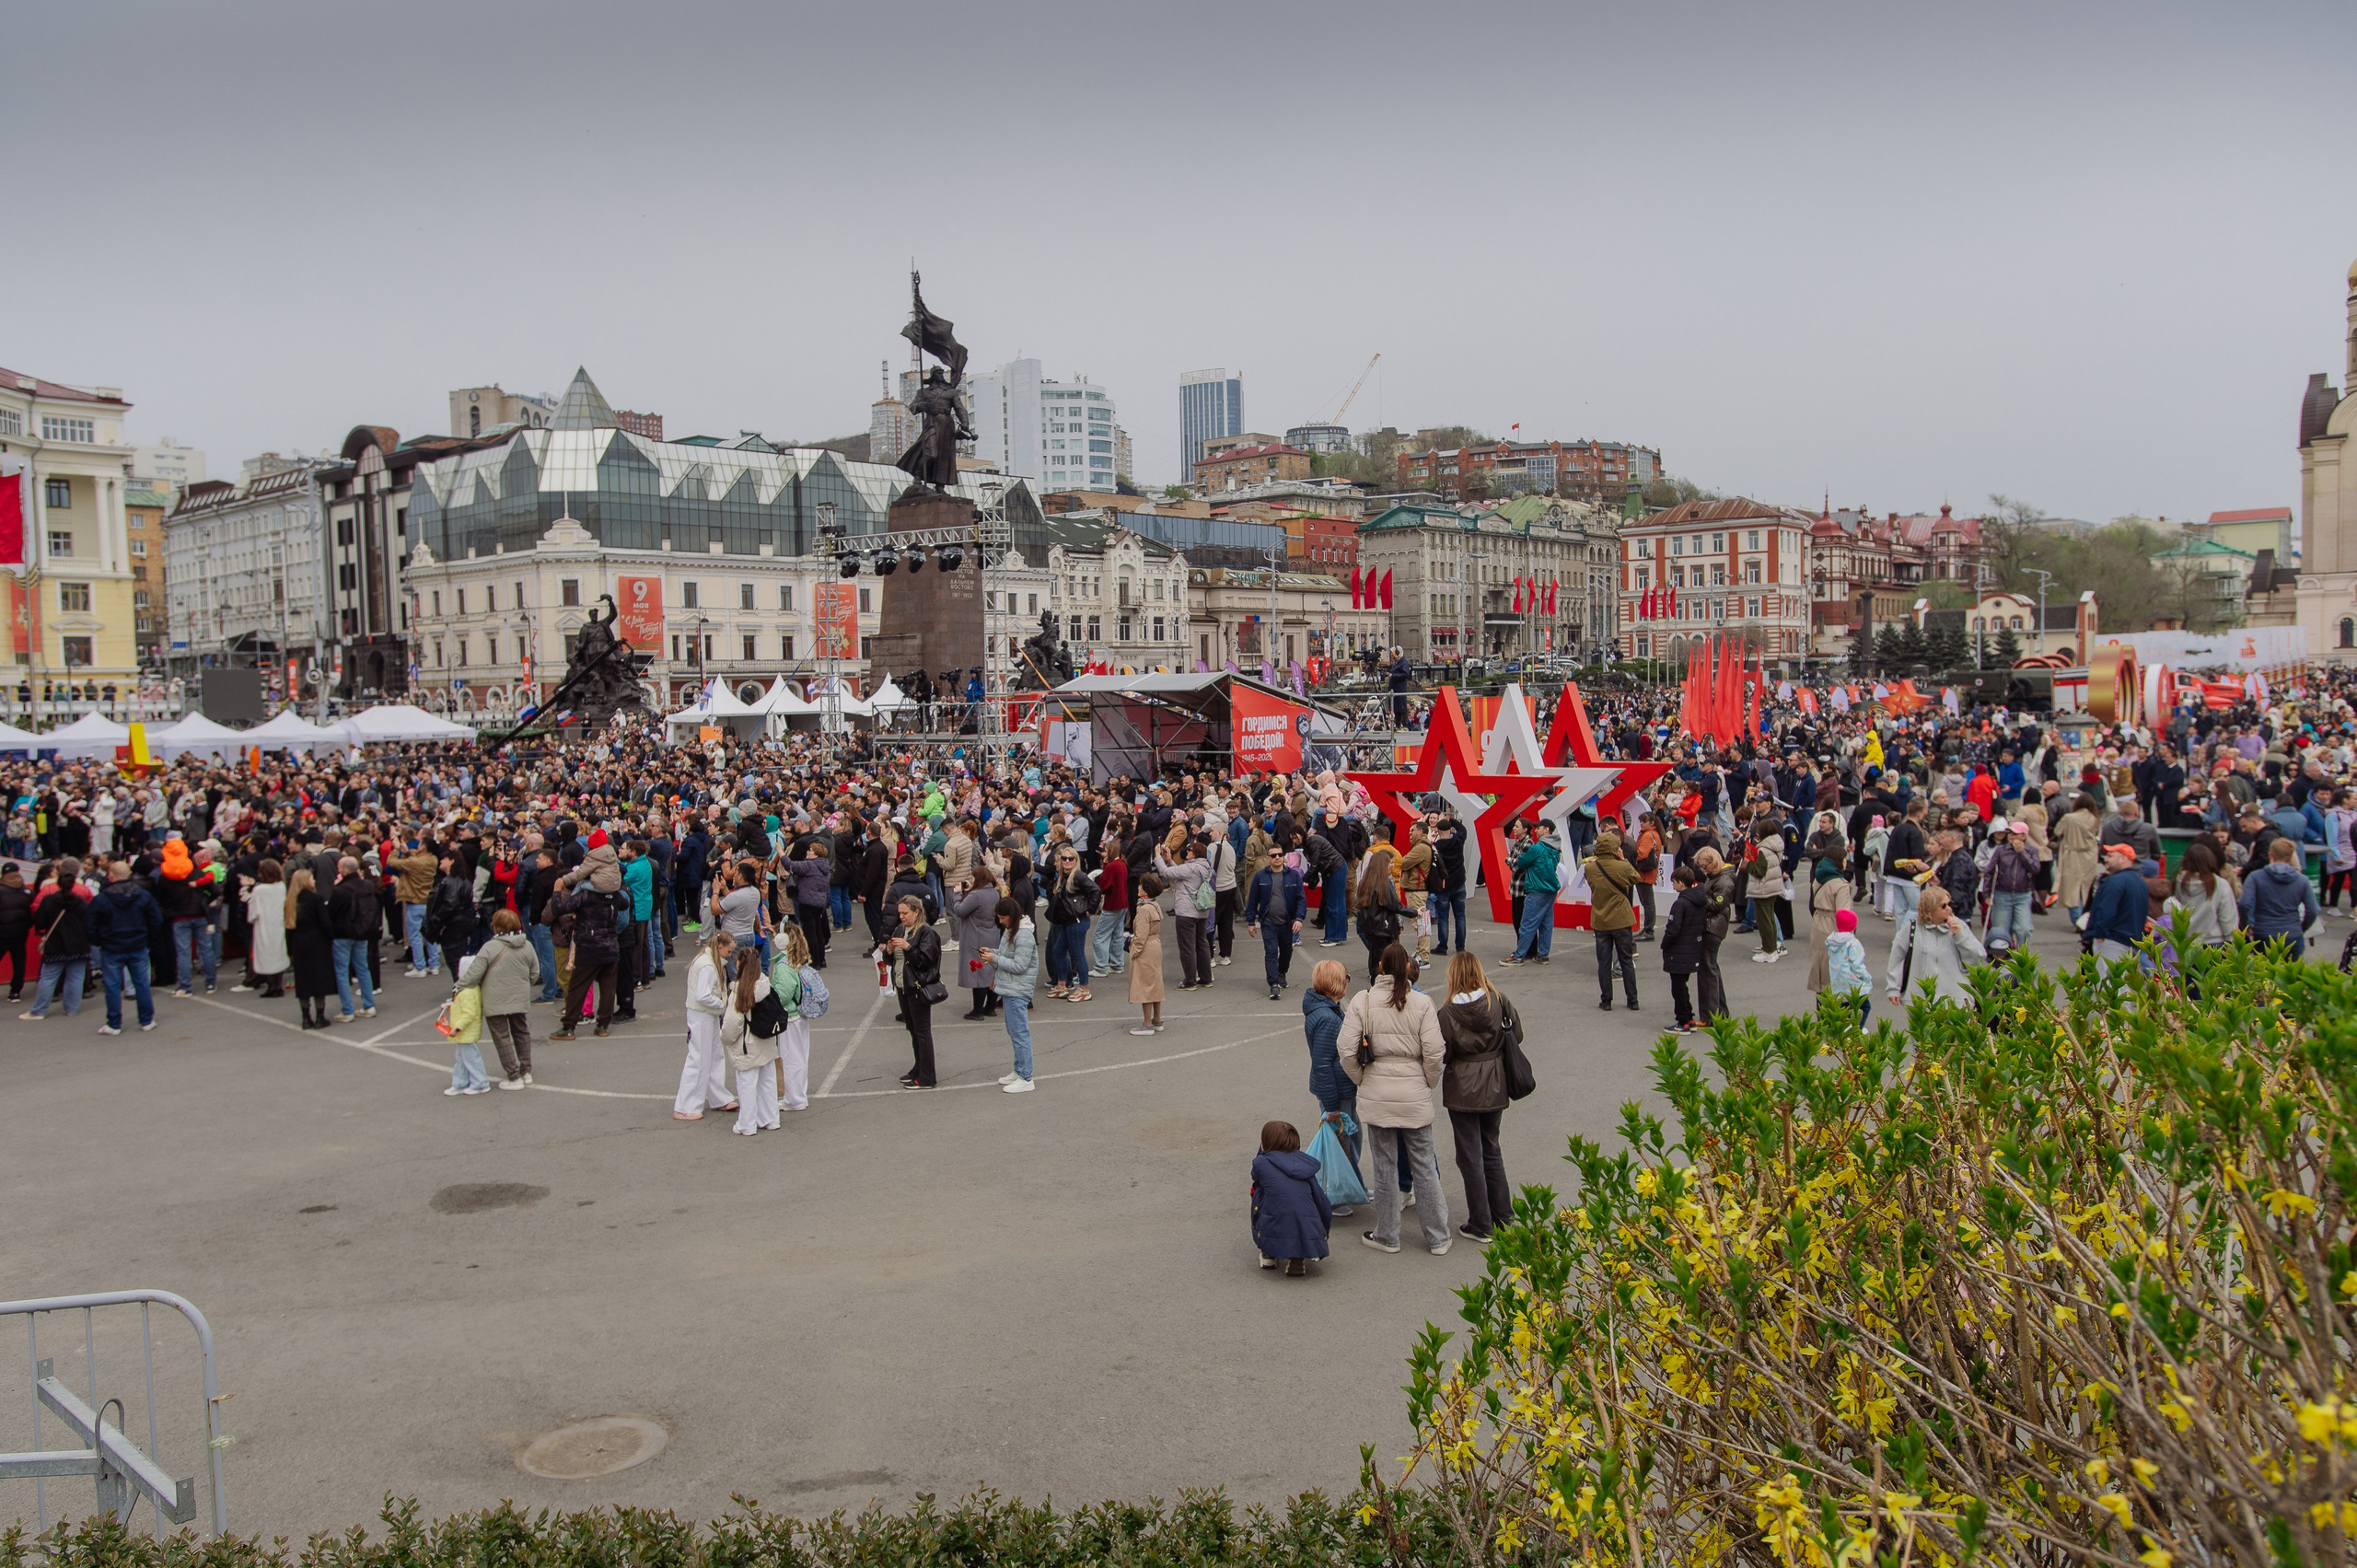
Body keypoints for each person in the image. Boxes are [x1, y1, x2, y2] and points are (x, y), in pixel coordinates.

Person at [1338, 942, 1451, 1256]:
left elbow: (1346, 1050)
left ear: (1380, 967)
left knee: (1384, 1166)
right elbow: (1435, 1051)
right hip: (1413, 1090)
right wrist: (1427, 1081)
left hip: (1377, 1091)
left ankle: (1388, 1234)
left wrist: (1364, 1080)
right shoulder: (1422, 1002)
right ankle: (1438, 1236)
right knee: (1424, 1164)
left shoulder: (1364, 1001)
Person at [1435, 951, 1516, 1243]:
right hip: (1496, 1082)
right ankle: (1503, 1216)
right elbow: (1516, 1034)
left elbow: (1442, 1053)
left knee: (1470, 1156)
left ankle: (1481, 1223)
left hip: (1463, 1088)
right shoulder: (1499, 999)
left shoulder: (1445, 1014)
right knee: (1491, 1148)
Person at [456, 908, 540, 1090]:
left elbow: (473, 975)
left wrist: (458, 987)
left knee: (502, 1037)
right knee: (521, 1032)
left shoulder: (489, 948)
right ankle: (526, 1072)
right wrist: (523, 986)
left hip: (494, 999)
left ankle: (513, 1075)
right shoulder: (527, 945)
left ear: (497, 927)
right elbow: (535, 973)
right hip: (519, 997)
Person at [1301, 958, 1357, 1218]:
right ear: (1336, 983)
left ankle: (1352, 1185)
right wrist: (1332, 1106)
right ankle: (1335, 1196)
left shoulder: (1326, 1010)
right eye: (1345, 978)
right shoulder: (1327, 1018)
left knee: (1350, 1140)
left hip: (1339, 1088)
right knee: (1340, 1144)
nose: (1348, 982)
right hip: (1336, 1091)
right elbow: (1323, 1064)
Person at [87, 858, 164, 1036]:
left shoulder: (102, 899)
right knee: (141, 984)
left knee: (112, 987)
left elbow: (90, 924)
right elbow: (156, 919)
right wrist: (148, 938)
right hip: (137, 944)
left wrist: (98, 941)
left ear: (111, 876)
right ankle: (146, 1020)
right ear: (129, 874)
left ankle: (114, 1023)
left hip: (112, 947)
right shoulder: (142, 895)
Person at [1251, 1121, 1332, 1278]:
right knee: (1297, 1204)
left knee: (1260, 1194)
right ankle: (1297, 1257)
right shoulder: (1305, 1165)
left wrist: (1262, 1151)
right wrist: (1324, 1229)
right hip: (1310, 1226)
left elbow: (1256, 1177)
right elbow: (1321, 1200)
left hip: (1274, 1223)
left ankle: (1268, 1253)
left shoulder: (1262, 1162)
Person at [675, 929, 740, 1121]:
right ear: (719, 947)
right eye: (729, 951)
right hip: (702, 1015)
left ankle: (718, 1097)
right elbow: (702, 995)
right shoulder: (708, 966)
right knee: (699, 1058)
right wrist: (722, 1004)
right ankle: (686, 1106)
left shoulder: (709, 960)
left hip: (708, 1015)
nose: (730, 955)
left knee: (714, 1054)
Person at [1885, 885, 1987, 1006]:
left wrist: (1959, 936)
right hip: (1921, 1002)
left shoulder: (1959, 927)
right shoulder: (1911, 928)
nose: (1948, 909)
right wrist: (1893, 988)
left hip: (1957, 1002)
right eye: (1943, 906)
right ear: (1930, 909)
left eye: (1949, 904)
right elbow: (1896, 958)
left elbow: (1978, 957)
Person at [975, 894, 1037, 1094]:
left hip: (1018, 989)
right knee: (1015, 1032)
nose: (1000, 922)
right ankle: (1019, 1070)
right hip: (1011, 988)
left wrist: (995, 958)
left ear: (1012, 915)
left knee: (1020, 1033)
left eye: (1003, 918)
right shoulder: (1012, 930)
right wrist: (991, 953)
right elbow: (1006, 956)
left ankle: (1026, 1077)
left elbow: (1020, 965)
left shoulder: (1024, 935)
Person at [719, 946, 782, 1135]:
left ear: (739, 964)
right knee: (768, 1082)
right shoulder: (766, 986)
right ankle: (770, 1118)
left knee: (747, 1085)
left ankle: (747, 1124)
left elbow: (732, 1024)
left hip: (748, 1046)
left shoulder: (740, 992)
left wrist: (725, 1039)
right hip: (767, 1042)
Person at [19, 859, 90, 1021]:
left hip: (56, 942)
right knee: (76, 977)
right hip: (79, 943)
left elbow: (39, 920)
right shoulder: (80, 901)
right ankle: (71, 1008)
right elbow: (90, 919)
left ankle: (39, 1011)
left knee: (48, 978)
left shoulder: (49, 899)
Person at [886, 893, 943, 1088]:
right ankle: (918, 1068)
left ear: (916, 912)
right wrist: (889, 952)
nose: (901, 916)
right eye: (900, 913)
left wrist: (908, 947)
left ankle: (927, 1077)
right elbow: (891, 961)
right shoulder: (900, 929)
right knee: (912, 1030)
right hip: (904, 986)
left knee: (922, 1032)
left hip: (918, 988)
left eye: (905, 913)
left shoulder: (926, 932)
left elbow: (925, 962)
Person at [1244, 837, 1306, 1000]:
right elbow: (1252, 900)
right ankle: (1273, 984)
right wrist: (1251, 922)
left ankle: (1281, 973)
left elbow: (1301, 899)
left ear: (1283, 856)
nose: (1277, 858)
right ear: (1268, 858)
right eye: (1273, 856)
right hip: (1268, 922)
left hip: (1288, 922)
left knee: (1287, 951)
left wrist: (1299, 918)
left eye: (1279, 855)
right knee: (1271, 952)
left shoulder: (1293, 876)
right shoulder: (1260, 877)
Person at [1585, 827, 1640, 1010]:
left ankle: (1606, 1000)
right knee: (1626, 961)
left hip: (1601, 919)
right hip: (1621, 918)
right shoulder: (1623, 866)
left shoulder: (1590, 869)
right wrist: (1623, 859)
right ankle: (1633, 1000)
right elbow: (1635, 878)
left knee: (1604, 962)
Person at [2239, 836, 2319, 957]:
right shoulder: (2302, 880)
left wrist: (2246, 926)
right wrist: (2301, 928)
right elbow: (2313, 910)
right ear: (2291, 857)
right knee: (2290, 974)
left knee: (2263, 972)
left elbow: (2244, 903)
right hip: (2292, 932)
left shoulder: (2255, 877)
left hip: (2264, 932)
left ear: (2270, 855)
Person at [326, 854, 380, 1023]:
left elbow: (332, 912)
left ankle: (347, 1010)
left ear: (345, 870)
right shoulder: (367, 886)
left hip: (343, 933)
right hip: (362, 932)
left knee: (342, 971)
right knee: (363, 968)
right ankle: (369, 1005)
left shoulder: (341, 890)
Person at [1041, 846, 1097, 1003]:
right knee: (1058, 951)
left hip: (1076, 921)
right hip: (1067, 921)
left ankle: (1084, 988)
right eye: (1064, 858)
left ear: (1076, 860)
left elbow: (1095, 890)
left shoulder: (1078, 876)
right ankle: (1061, 984)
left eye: (1070, 859)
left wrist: (1090, 910)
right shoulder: (1063, 876)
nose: (1067, 861)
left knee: (1078, 954)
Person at [1660, 862, 1710, 1033]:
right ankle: (1689, 1017)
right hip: (1692, 949)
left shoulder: (1680, 904)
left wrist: (1664, 944)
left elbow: (1673, 930)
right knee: (1683, 986)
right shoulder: (1698, 901)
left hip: (1679, 951)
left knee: (1678, 988)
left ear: (1681, 883)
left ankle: (1683, 1021)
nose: (1673, 886)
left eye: (1674, 882)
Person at [286, 867, 337, 1030]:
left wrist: (289, 950)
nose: (314, 881)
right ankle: (320, 1016)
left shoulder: (290, 901)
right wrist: (331, 937)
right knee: (319, 979)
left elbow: (288, 928)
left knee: (303, 981)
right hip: (317, 942)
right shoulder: (316, 899)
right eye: (312, 878)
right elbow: (325, 923)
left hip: (298, 943)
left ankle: (305, 1018)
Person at [2084, 842, 2153, 965]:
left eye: (2111, 856)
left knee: (2107, 980)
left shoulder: (2114, 882)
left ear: (2123, 859)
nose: (2106, 860)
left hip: (2112, 940)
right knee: (2122, 981)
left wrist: (2099, 933)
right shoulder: (2140, 882)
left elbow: (2106, 911)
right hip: (2130, 940)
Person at [1504, 819, 1560, 965]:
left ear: (1546, 830)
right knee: (1546, 924)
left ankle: (1519, 955)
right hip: (1550, 889)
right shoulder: (1555, 848)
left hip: (1536, 888)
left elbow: (1521, 862)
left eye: (1539, 828)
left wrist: (1514, 860)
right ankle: (1543, 954)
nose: (1536, 830)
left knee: (1527, 923)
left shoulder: (1538, 848)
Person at [950, 866, 1003, 1020]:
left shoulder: (976, 895)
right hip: (991, 934)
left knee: (978, 972)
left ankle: (978, 1010)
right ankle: (990, 1007)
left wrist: (957, 895)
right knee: (991, 971)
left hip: (976, 936)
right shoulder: (994, 893)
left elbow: (960, 911)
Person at [1353, 839, 1405, 982]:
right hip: (1384, 929)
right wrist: (1406, 917)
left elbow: (1357, 900)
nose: (1393, 866)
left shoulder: (1366, 880)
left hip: (1372, 928)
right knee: (1389, 958)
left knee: (1375, 958)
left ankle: (1376, 981)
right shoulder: (1385, 882)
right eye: (1391, 863)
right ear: (1383, 864)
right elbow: (1395, 905)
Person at [1805, 851, 1852, 993]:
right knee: (1834, 972)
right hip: (1834, 925)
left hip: (1819, 922)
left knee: (1819, 966)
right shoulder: (1840, 885)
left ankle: (1820, 1009)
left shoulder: (1819, 878)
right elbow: (1844, 915)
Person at [2054, 793, 2103, 926]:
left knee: (2071, 887)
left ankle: (2077, 919)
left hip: (2072, 853)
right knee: (2087, 887)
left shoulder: (2069, 818)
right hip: (2090, 854)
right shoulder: (2095, 819)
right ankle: (2087, 917)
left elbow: (2058, 831)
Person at [242, 859, 289, 998]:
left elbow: (253, 913)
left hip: (264, 926)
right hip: (278, 924)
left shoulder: (259, 890)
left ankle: (271, 987)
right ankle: (278, 985)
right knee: (279, 952)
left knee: (266, 955)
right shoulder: (281, 886)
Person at [1742, 815, 1786, 961]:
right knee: (1771, 920)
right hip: (1773, 887)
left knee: (1764, 921)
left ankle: (1769, 951)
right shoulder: (1775, 844)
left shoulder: (1763, 849)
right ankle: (1772, 948)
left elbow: (1759, 871)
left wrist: (1747, 864)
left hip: (1763, 889)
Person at [1128, 871, 1167, 1035]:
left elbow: (1141, 936)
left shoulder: (1144, 909)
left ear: (1146, 890)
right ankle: (1157, 1019)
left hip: (1146, 947)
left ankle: (1147, 1023)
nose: (1138, 888)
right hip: (1155, 945)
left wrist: (1133, 951)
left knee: (1145, 985)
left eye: (1141, 886)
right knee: (1155, 982)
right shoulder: (1155, 905)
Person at [1824, 907, 1873, 1023]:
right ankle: (1856, 1031)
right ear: (1853, 926)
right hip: (1853, 985)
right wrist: (1867, 978)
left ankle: (1845, 1031)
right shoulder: (1853, 943)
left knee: (1844, 1010)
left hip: (1838, 984)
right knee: (1864, 1007)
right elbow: (1858, 966)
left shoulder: (1832, 942)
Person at [0, 864, 31, 1004]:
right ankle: (15, 992)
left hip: (2, 933)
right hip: (21, 933)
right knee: (19, 962)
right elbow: (35, 909)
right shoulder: (26, 891)